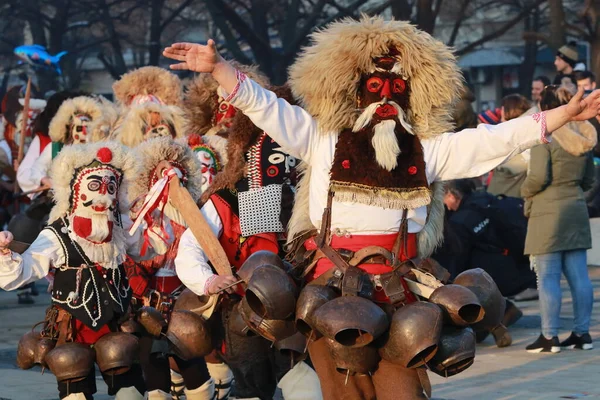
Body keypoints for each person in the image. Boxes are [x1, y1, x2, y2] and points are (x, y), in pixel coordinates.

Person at [164, 16, 600, 399]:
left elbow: (495, 139)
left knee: (401, 392)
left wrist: (562, 116)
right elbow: (266, 107)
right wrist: (219, 69)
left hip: (400, 294)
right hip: (329, 288)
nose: (385, 101)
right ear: (353, 94)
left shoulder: (428, 150)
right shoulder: (322, 138)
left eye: (396, 91)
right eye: (373, 89)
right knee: (343, 395)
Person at [176, 84, 320, 400]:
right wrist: (208, 280)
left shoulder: (320, 197)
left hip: (306, 313)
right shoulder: (227, 197)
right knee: (252, 384)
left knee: (303, 379)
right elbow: (190, 247)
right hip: (246, 310)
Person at [0, 142, 171, 399]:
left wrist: (152, 222)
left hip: (118, 323)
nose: (103, 195)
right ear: (77, 191)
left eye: (110, 188)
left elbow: (150, 248)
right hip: (72, 326)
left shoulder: (121, 226)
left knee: (131, 394)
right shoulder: (56, 233)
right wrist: (5, 254)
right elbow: (22, 273)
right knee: (75, 395)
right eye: (94, 186)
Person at [124, 137, 214, 400]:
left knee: (191, 356)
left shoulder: (198, 215)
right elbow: (132, 258)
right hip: (148, 300)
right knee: (153, 362)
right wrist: (139, 286)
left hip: (186, 297)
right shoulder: (139, 216)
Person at [522, 85, 597, 353]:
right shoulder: (583, 137)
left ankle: (549, 337)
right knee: (579, 277)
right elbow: (591, 180)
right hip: (576, 208)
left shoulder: (547, 136)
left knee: (549, 277)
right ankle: (582, 333)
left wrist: (524, 191)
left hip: (547, 213)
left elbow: (539, 177)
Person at [487, 94, 532, 198]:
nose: (501, 120)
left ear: (509, 112)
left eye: (502, 115)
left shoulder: (515, 138)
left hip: (510, 197)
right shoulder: (526, 132)